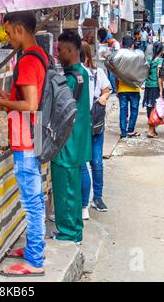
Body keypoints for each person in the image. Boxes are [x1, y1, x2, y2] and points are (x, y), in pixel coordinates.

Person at [0, 11, 47, 277]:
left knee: (32, 200)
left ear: (20, 29)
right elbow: (28, 97)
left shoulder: (27, 61)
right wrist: (8, 95)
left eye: (9, 32)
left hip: (27, 138)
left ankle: (34, 261)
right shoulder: (41, 55)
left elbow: (30, 105)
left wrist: (1, 103)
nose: (8, 37)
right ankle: (35, 247)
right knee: (35, 198)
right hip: (34, 135)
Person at [51, 31, 91, 243]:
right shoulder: (82, 74)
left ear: (69, 50)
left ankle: (68, 233)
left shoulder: (70, 79)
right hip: (78, 141)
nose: (57, 53)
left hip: (67, 143)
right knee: (72, 189)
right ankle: (75, 228)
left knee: (65, 189)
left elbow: (59, 110)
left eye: (59, 50)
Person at [80, 41, 111, 218]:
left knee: (96, 161)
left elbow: (107, 90)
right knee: (84, 162)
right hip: (82, 124)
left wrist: (103, 98)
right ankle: (84, 201)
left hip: (96, 122)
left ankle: (97, 197)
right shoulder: (76, 74)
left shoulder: (97, 73)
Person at [115, 36, 141, 139]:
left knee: (123, 110)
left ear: (122, 44)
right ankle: (130, 130)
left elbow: (116, 75)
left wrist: (117, 89)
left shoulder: (118, 57)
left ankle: (123, 132)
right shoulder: (136, 57)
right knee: (134, 110)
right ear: (132, 45)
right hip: (134, 89)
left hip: (122, 89)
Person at [144, 42, 163, 138]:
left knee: (150, 106)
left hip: (148, 86)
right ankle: (150, 131)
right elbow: (158, 75)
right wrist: (161, 89)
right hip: (155, 86)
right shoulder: (159, 61)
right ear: (161, 50)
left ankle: (152, 130)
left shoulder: (149, 59)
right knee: (154, 108)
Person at [97, 28, 120, 94]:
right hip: (110, 62)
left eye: (108, 40)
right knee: (110, 76)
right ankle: (113, 89)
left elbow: (115, 54)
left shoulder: (116, 44)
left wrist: (107, 56)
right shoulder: (112, 44)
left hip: (113, 63)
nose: (107, 42)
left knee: (112, 76)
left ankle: (115, 90)